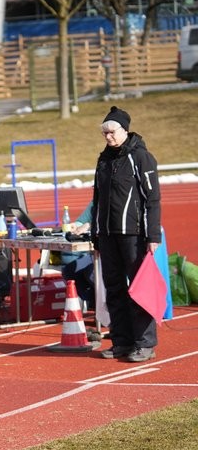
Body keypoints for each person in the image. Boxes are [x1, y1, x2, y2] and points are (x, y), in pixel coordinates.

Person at [91, 106, 161, 362]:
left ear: (124, 130)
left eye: (112, 132)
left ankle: (144, 343)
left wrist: (152, 236)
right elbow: (97, 199)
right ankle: (121, 341)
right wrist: (95, 235)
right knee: (114, 289)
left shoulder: (141, 158)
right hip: (108, 235)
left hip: (134, 235)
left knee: (138, 289)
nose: (108, 137)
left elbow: (152, 199)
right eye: (104, 133)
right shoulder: (104, 160)